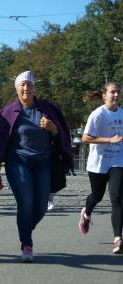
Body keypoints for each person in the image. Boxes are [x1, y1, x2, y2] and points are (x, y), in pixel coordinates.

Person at [0, 71, 72, 262]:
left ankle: (24, 227)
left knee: (40, 206)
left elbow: (62, 135)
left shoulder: (47, 108)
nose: (26, 88)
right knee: (25, 202)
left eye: (29, 85)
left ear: (34, 88)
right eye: (22, 85)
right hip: (18, 161)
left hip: (43, 161)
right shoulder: (7, 112)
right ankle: (26, 245)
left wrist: (53, 128)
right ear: (17, 88)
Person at [79, 82, 123, 254]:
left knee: (117, 197)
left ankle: (118, 238)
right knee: (96, 195)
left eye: (118, 92)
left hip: (118, 161)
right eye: (113, 92)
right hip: (98, 163)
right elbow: (85, 138)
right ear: (104, 95)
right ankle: (86, 212)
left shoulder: (122, 113)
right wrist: (108, 140)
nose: (116, 95)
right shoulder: (98, 114)